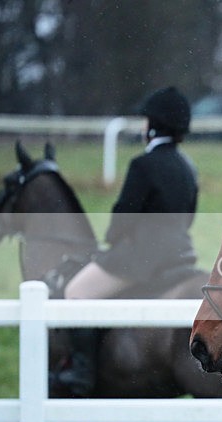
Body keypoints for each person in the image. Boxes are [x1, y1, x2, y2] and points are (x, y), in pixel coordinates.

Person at [53, 86, 199, 397]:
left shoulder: (142, 165)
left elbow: (123, 217)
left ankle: (81, 373)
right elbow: (188, 215)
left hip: (139, 261)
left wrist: (110, 240)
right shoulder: (189, 167)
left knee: (75, 292)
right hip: (180, 257)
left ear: (154, 125)